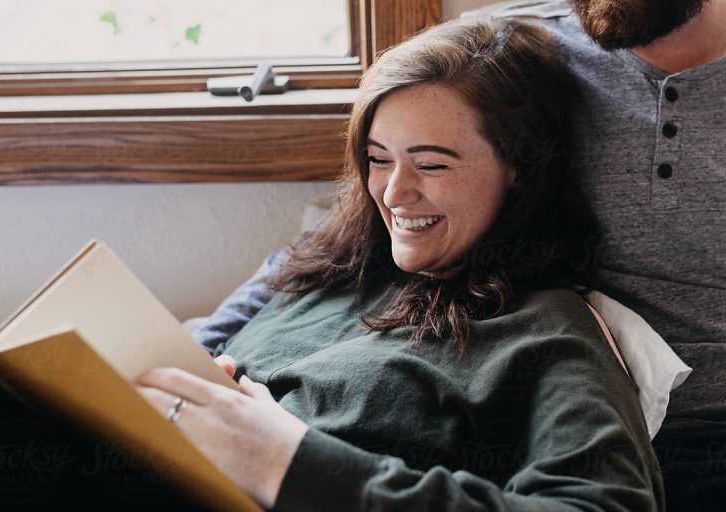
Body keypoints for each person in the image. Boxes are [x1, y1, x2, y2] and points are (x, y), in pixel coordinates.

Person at [193, 1, 726, 509]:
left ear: (518, 170)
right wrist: (185, 359)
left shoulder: (540, 339)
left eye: (433, 164)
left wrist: (285, 460)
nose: (394, 194)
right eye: (377, 159)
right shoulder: (329, 274)